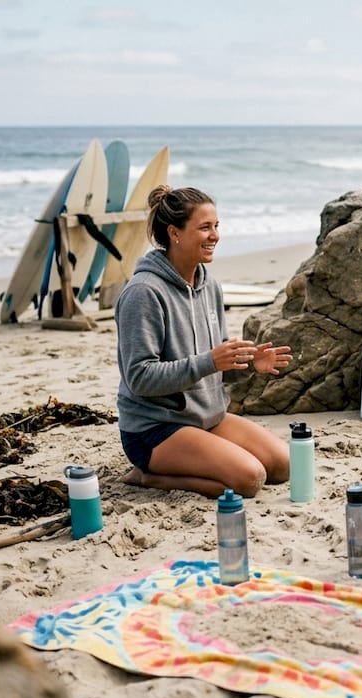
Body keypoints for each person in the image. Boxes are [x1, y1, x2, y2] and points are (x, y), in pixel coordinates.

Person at [114, 186, 293, 498]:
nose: (215, 236)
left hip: (206, 418)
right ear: (175, 233)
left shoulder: (210, 286)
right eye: (205, 227)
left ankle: (204, 456)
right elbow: (139, 377)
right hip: (155, 429)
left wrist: (250, 364)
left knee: (283, 465)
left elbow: (216, 360)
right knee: (249, 479)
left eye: (217, 226)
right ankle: (146, 477)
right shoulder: (143, 293)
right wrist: (209, 361)